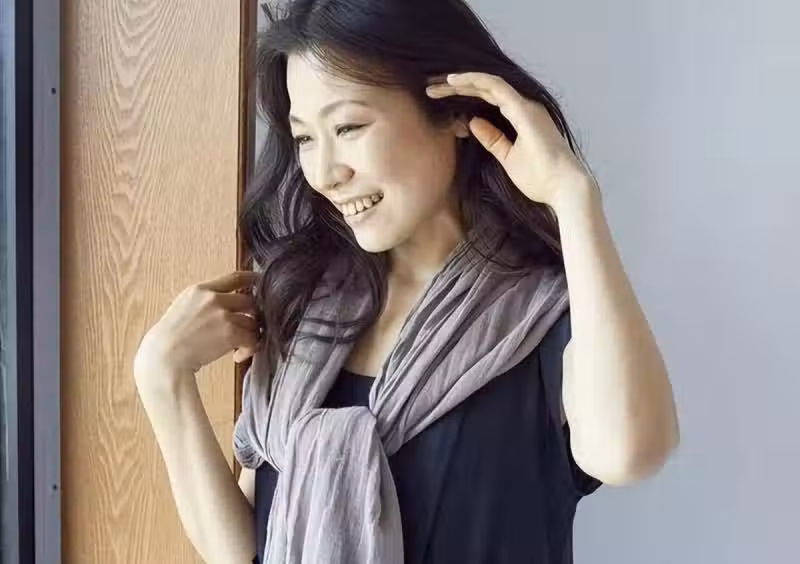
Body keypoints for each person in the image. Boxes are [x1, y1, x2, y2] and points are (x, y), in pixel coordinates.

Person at [134, 0, 680, 562]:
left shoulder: (546, 318)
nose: (324, 173)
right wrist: (163, 379)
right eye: (305, 138)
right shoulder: (304, 310)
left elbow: (628, 453)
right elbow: (248, 550)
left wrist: (572, 196)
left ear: (453, 111)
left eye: (348, 127)